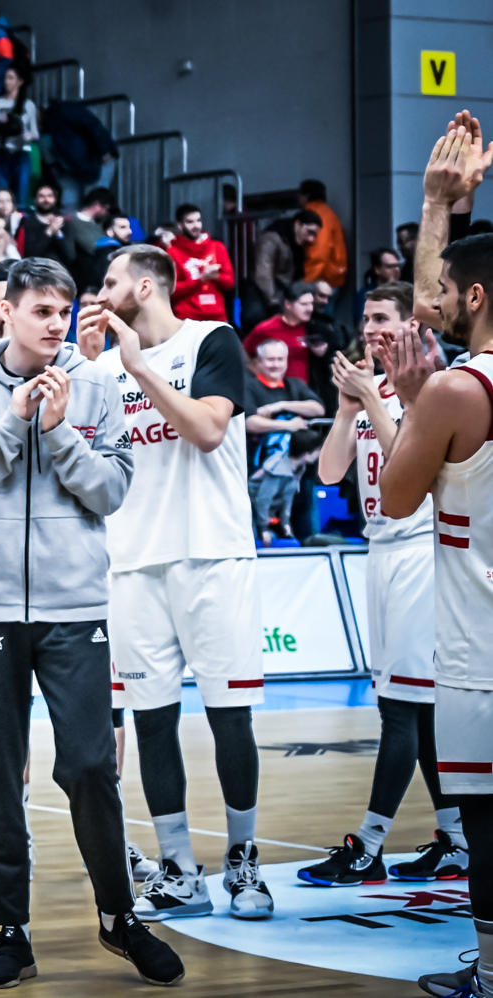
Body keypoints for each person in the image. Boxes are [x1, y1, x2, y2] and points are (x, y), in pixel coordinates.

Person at [0, 256, 182, 988]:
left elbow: (110, 492)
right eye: (40, 310)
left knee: (92, 766)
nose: (55, 324)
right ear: (3, 310)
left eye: (63, 312)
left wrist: (61, 430)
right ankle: (11, 929)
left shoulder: (98, 383)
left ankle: (119, 917)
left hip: (75, 609)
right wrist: (13, 425)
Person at [77, 244, 272, 921]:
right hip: (132, 562)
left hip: (212, 553)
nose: (100, 294)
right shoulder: (103, 367)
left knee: (229, 717)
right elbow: (83, 462)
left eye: (110, 282)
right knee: (152, 722)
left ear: (147, 285)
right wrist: (87, 371)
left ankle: (244, 860)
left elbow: (209, 430)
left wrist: (137, 368)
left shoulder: (212, 339)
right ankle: (180, 868)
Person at [378, 114, 493, 998]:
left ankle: (489, 974)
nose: (436, 303)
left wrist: (414, 408)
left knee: (485, 825)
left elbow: (394, 497)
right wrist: (438, 211)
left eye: (452, 292)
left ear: (477, 297)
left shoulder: (456, 390)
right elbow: (433, 307)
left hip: (480, 653)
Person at [301, 281, 465, 885]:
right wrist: (349, 408)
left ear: (412, 325)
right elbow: (329, 473)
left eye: (382, 318)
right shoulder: (372, 388)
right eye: (366, 319)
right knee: (416, 709)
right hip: (382, 552)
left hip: (422, 552)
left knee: (401, 709)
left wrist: (371, 398)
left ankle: (367, 847)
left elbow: (412, 471)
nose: (369, 328)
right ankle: (457, 840)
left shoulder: (431, 387)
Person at [243, 338, 324, 525]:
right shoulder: (248, 386)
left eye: (280, 359)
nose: (276, 364)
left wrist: (280, 405)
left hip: (298, 472)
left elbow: (318, 408)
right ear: (259, 362)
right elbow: (249, 422)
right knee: (259, 520)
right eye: (270, 359)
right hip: (259, 471)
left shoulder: (295, 384)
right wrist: (288, 425)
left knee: (305, 522)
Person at [246, 209, 320, 329]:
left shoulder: (297, 244)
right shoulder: (272, 239)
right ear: (297, 224)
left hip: (277, 298)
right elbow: (263, 274)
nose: (311, 239)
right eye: (309, 232)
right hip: (262, 299)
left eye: (315, 235)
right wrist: (274, 304)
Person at [168, 204, 234, 324]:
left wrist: (216, 277)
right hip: (187, 319)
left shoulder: (217, 247)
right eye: (190, 222)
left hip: (218, 317)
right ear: (180, 225)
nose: (196, 226)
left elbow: (230, 282)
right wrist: (200, 280)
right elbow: (171, 289)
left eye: (198, 220)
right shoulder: (172, 252)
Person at [242, 282, 316, 383]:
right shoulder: (266, 328)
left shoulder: (314, 327)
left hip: (307, 389)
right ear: (288, 304)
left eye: (311, 303)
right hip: (275, 388)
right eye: (304, 304)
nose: (310, 309)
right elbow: (244, 353)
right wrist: (257, 378)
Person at [0, 65, 37, 207]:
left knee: (21, 196)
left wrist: (28, 135)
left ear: (20, 81)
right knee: (1, 194)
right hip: (0, 152)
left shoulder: (28, 105)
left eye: (11, 78)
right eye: (5, 78)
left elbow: (35, 132)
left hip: (20, 153)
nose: (7, 82)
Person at [299, 179, 347, 289]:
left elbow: (319, 251)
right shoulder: (326, 212)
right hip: (330, 277)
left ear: (306, 196)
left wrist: (305, 282)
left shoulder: (315, 215)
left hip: (321, 279)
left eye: (299, 194)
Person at [18, 182, 72, 266]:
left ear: (55, 199)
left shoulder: (64, 222)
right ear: (36, 199)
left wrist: (58, 233)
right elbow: (30, 254)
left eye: (49, 196)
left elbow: (70, 256)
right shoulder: (28, 221)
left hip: (59, 269)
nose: (46, 199)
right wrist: (49, 231)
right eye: (41, 196)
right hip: (36, 269)